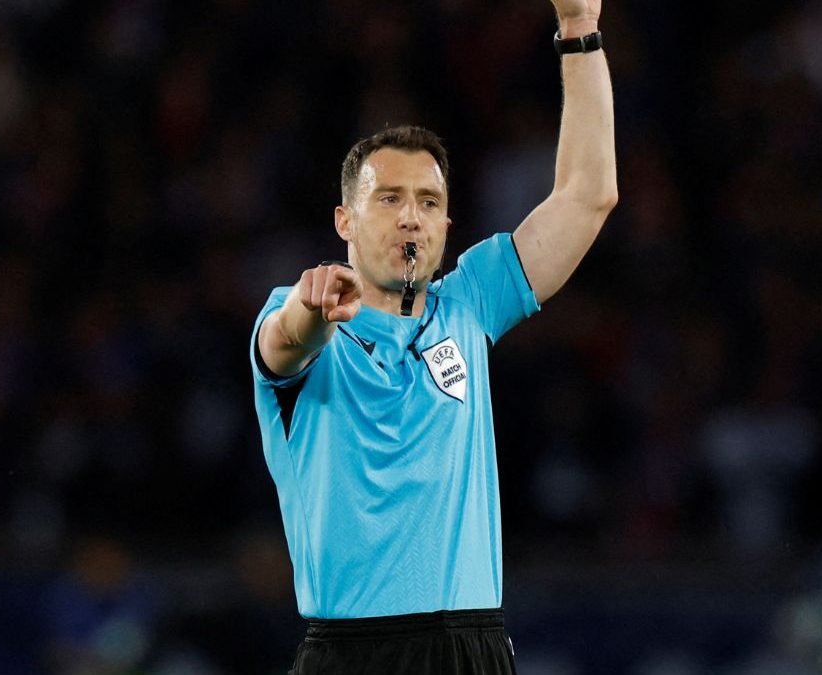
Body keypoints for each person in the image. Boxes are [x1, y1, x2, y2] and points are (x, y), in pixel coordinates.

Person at [250, 0, 617, 671]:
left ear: (449, 227)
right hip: (351, 653)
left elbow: (588, 195)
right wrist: (312, 307)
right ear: (345, 220)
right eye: (388, 198)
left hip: (469, 646)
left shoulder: (470, 303)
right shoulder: (304, 314)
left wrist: (578, 30)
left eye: (428, 202)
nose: (410, 218)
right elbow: (283, 342)